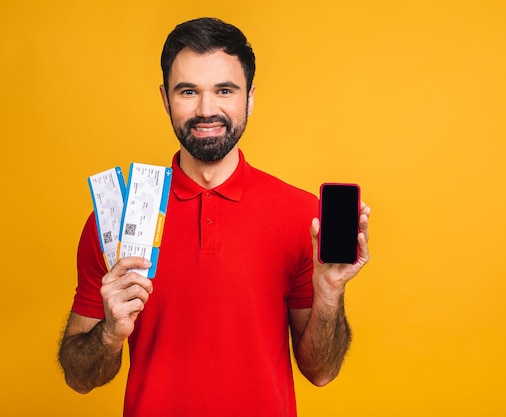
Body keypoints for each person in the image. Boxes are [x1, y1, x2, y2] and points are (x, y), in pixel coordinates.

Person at [58, 17, 371, 417]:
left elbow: (321, 372)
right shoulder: (117, 218)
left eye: (224, 90)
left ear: (249, 98)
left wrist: (329, 294)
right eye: (188, 91)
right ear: (165, 98)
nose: (207, 110)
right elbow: (79, 378)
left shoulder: (302, 216)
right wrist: (110, 334)